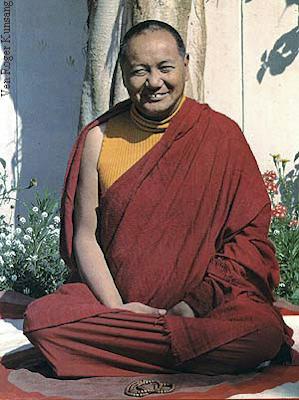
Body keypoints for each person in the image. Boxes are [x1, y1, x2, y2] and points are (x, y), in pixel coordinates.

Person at [23, 20, 296, 378]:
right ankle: (179, 352)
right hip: (118, 305)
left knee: (261, 331)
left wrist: (190, 306)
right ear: (123, 75)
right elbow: (85, 236)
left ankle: (116, 352)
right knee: (42, 321)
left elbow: (247, 242)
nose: (154, 82)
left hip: (203, 310)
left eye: (165, 68)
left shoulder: (221, 136)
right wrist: (119, 309)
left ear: (185, 62)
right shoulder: (99, 138)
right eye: (140, 71)